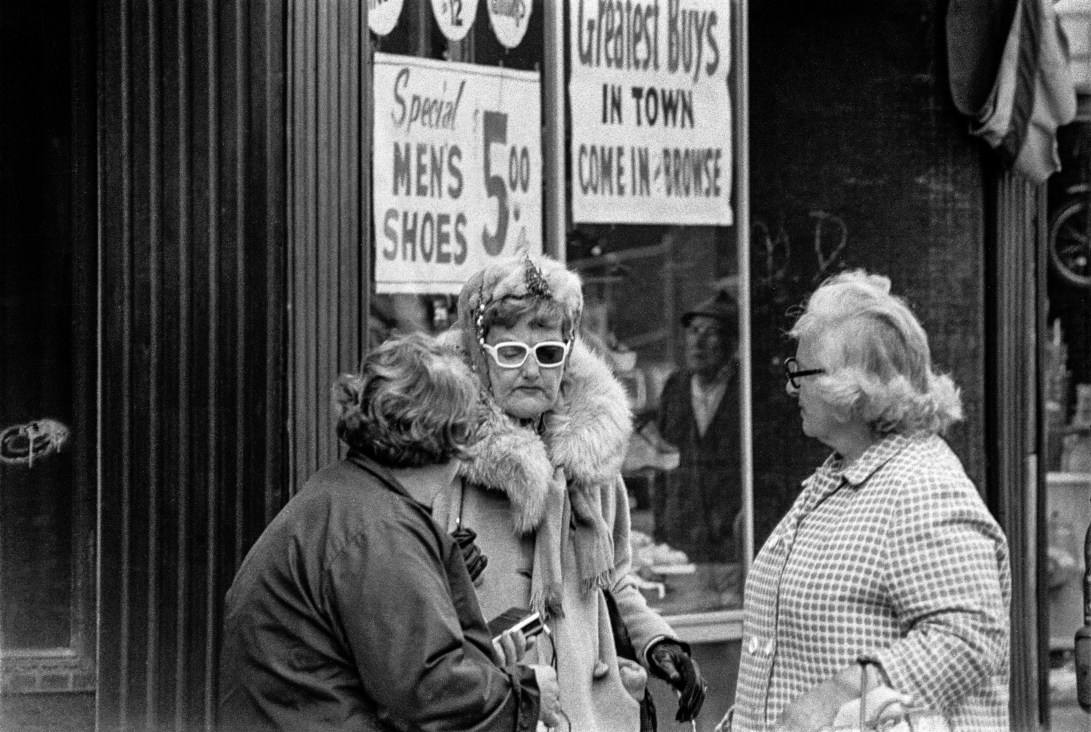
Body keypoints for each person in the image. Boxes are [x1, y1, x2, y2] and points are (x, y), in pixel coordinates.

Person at [218, 333, 560, 731]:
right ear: (455, 437)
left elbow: (388, 668)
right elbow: (426, 694)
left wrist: (479, 661)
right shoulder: (381, 529)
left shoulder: (347, 496)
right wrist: (526, 694)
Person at [727, 270, 1011, 731]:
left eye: (800, 373)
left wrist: (840, 696)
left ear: (858, 384)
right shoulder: (843, 472)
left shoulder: (922, 485)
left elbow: (970, 636)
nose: (789, 387)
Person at [433, 255, 706, 731]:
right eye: (511, 353)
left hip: (585, 709)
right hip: (493, 709)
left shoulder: (590, 463)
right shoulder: (442, 462)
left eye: (549, 354)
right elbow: (404, 603)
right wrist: (439, 565)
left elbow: (616, 578)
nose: (532, 371)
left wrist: (657, 642)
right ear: (479, 358)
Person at [655, 289, 743, 606]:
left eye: (711, 333)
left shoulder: (744, 389)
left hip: (731, 551)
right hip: (684, 550)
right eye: (693, 331)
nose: (699, 342)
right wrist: (662, 537)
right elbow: (662, 466)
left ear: (732, 343)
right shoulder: (675, 387)